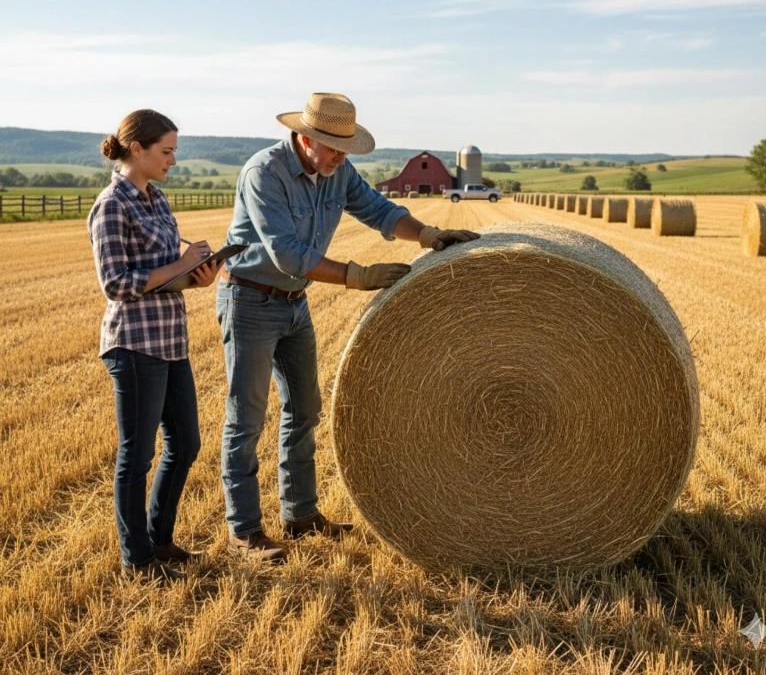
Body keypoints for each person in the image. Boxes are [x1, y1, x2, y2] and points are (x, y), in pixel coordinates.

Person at [217, 92, 480, 562]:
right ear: (304, 137)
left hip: (294, 302)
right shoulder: (264, 173)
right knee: (247, 418)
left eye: (346, 149)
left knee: (305, 408)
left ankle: (299, 514)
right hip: (250, 301)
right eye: (334, 148)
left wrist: (426, 234)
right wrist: (359, 277)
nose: (341, 157)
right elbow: (287, 254)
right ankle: (244, 533)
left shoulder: (337, 171)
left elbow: (379, 210)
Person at [88, 109, 220, 583]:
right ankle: (137, 559)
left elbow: (167, 275)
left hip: (170, 339)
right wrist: (179, 264)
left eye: (175, 153)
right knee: (136, 455)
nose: (173, 161)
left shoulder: (158, 198)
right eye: (166, 152)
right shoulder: (111, 205)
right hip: (134, 343)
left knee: (185, 444)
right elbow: (116, 284)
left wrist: (196, 275)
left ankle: (159, 542)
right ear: (137, 150)